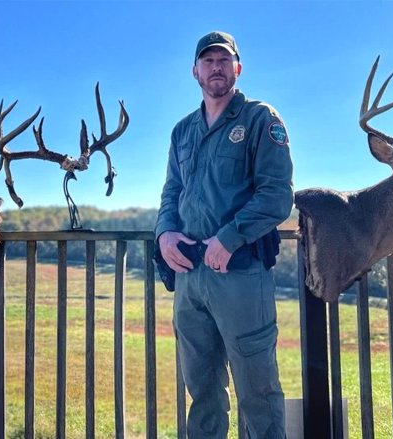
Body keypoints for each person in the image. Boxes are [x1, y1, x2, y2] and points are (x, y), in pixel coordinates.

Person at [155, 31, 294, 438]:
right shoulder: (183, 131)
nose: (216, 66)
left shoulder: (259, 119)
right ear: (195, 70)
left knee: (258, 389)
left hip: (240, 273)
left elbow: (276, 196)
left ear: (238, 68)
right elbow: (171, 192)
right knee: (202, 390)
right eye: (208, 60)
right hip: (189, 277)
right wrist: (165, 235)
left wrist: (229, 238)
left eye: (224, 60)